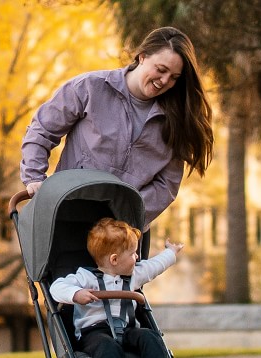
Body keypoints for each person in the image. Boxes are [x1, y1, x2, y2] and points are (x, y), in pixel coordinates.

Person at [20, 26, 213, 231]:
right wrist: (34, 177)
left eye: (174, 77)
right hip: (68, 216)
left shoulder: (176, 120)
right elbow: (42, 130)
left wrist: (125, 217)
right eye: (161, 69)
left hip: (123, 232)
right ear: (142, 56)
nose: (165, 81)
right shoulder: (90, 88)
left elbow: (167, 185)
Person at [49, 217, 183, 358]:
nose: (137, 257)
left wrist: (171, 252)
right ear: (114, 259)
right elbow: (57, 287)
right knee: (107, 347)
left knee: (150, 336)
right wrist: (76, 294)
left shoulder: (134, 274)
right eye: (133, 253)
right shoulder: (86, 277)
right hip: (94, 333)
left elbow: (155, 266)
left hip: (127, 330)